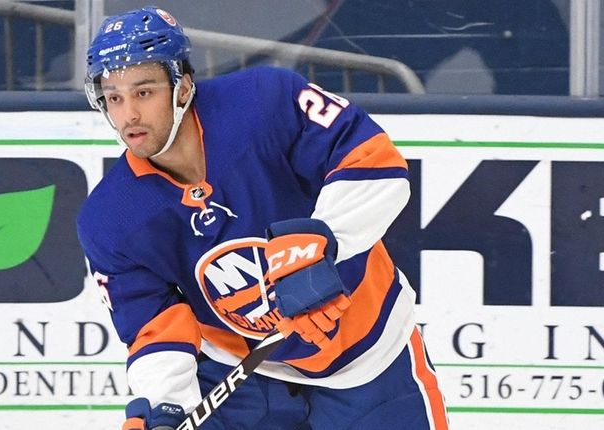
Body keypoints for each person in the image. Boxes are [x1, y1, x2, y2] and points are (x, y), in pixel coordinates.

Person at [77, 6, 448, 430]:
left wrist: (320, 243)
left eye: (143, 92)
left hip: (366, 352)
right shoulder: (108, 219)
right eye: (114, 98)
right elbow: (155, 327)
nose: (128, 116)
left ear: (182, 86)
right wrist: (166, 407)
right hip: (243, 380)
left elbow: (374, 163)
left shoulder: (264, 102)